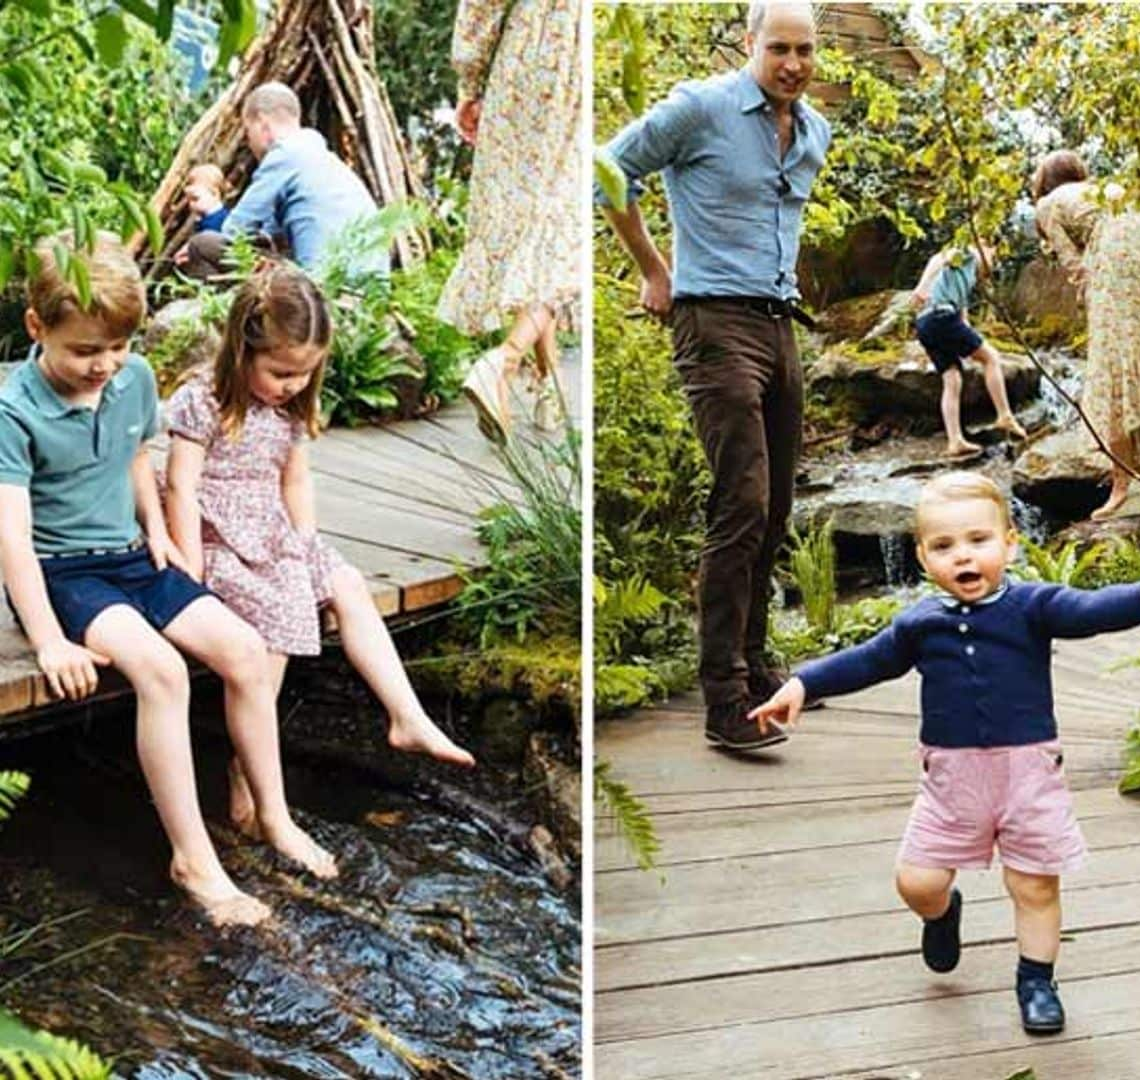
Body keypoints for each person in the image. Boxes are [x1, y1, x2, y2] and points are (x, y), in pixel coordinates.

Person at [749, 471, 1140, 1034]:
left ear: (1009, 542)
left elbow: (1088, 610)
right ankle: (943, 914)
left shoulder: (1034, 606)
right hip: (950, 783)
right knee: (917, 882)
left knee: (1033, 884)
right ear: (922, 556)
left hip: (1028, 774)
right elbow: (866, 660)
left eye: (978, 540)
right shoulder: (919, 625)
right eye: (944, 546)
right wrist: (802, 684)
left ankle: (1036, 980)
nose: (963, 555)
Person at [3, 234, 334, 927]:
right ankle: (194, 860)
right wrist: (48, 641)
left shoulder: (135, 378)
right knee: (162, 672)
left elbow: (132, 459)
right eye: (85, 352)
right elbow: (12, 538)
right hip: (67, 573)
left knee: (243, 650)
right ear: (37, 328)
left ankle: (271, 816)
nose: (104, 367)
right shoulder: (13, 411)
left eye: (117, 348)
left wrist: (156, 529)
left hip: (133, 554)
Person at [165, 265, 474, 835]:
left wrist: (305, 546)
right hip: (219, 538)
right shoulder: (201, 401)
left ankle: (406, 715)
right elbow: (181, 486)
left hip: (275, 531)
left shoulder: (287, 409)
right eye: (281, 372)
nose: (292, 385)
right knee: (280, 617)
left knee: (347, 584)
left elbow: (295, 482)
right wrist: (187, 571)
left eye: (305, 374)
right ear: (242, 350)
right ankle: (248, 774)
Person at [598, 1, 830, 751]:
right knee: (742, 500)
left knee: (778, 504)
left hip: (778, 324)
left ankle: (756, 664)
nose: (793, 63)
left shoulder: (815, 133)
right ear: (749, 43)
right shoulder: (700, 108)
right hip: (712, 322)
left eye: (805, 50)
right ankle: (723, 700)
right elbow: (607, 169)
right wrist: (652, 268)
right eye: (779, 49)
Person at [437, 0, 583, 439]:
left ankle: (537, 379)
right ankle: (514, 367)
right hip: (573, 58)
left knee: (545, 228)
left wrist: (470, 78)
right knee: (556, 229)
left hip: (531, 58)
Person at [1031, 150, 1140, 520]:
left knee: (1113, 375)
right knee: (1138, 365)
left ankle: (1122, 488)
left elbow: (1073, 262)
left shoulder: (1047, 204)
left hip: (1114, 259)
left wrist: (1089, 296)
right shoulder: (1103, 190)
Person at [178, 82, 382, 280]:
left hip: (323, 288)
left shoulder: (284, 156)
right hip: (367, 289)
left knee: (202, 245)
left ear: (262, 125)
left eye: (248, 132)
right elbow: (271, 232)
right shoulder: (320, 156)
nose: (248, 143)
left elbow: (234, 230)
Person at [908, 240, 1027, 456]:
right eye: (993, 256)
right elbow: (939, 258)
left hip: (926, 323)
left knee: (952, 378)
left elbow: (962, 313)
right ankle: (1004, 415)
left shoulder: (969, 275)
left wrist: (969, 336)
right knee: (991, 357)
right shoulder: (969, 253)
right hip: (940, 315)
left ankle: (955, 442)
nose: (992, 264)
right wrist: (922, 286)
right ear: (985, 246)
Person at [182, 163, 231, 234]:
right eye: (189, 200)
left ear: (214, 194)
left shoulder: (219, 221)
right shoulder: (204, 218)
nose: (191, 204)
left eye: (195, 199)